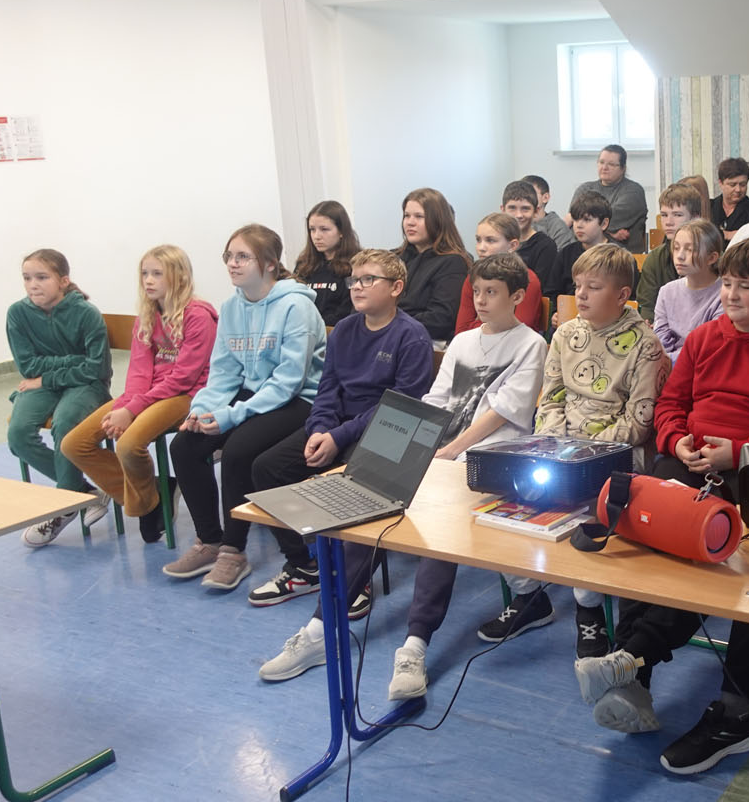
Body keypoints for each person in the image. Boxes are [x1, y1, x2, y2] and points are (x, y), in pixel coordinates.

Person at [572, 238, 749, 776]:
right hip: (690, 464)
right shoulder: (706, 337)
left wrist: (740, 451)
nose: (730, 295)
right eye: (726, 283)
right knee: (643, 536)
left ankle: (718, 699)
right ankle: (635, 680)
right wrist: (676, 439)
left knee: (738, 567)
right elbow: (671, 405)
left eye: (745, 286)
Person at [364, 253, 546, 696]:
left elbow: (502, 413)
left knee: (440, 523)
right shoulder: (462, 342)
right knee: (371, 485)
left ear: (517, 297)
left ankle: (415, 643)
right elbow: (438, 400)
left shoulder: (530, 344)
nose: (480, 301)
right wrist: (416, 446)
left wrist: (447, 451)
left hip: (494, 456)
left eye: (491, 293)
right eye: (476, 292)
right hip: (448, 452)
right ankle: (319, 625)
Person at [481, 243, 671, 661]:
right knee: (502, 499)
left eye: (594, 287)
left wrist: (581, 455)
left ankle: (589, 611)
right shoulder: (566, 334)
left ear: (622, 295)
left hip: (616, 453)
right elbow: (550, 399)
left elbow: (639, 423)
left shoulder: (646, 346)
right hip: (559, 445)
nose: (580, 295)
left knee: (590, 512)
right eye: (578, 285)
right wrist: (553, 447)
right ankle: (529, 596)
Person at [246, 248, 434, 618]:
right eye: (354, 280)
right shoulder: (345, 329)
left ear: (396, 287)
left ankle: (355, 578)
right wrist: (320, 429)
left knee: (354, 481)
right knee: (266, 468)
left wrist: (339, 437)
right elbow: (328, 389)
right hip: (337, 427)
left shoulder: (411, 336)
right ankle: (305, 567)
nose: (357, 286)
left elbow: (398, 408)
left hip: (386, 431)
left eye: (368, 279)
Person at [163, 224, 325, 592]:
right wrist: (202, 409)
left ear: (269, 264)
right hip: (254, 395)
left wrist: (230, 417)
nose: (232, 264)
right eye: (229, 256)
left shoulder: (296, 306)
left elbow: (288, 381)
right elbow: (223, 371)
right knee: (184, 445)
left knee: (238, 449)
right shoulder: (232, 307)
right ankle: (210, 541)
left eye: (243, 257)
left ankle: (233, 552)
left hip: (300, 399)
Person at [60, 245, 218, 544]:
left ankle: (147, 504)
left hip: (187, 395)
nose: (148, 280)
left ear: (179, 276)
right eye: (145, 273)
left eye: (157, 273)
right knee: (74, 444)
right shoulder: (146, 315)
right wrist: (127, 405)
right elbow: (139, 372)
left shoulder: (198, 316)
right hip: (150, 394)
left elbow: (184, 377)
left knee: (129, 445)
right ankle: (153, 496)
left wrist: (132, 410)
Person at [7, 248, 115, 545]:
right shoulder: (17, 314)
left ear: (64, 281)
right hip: (41, 385)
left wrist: (48, 375)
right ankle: (83, 492)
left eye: (42, 277)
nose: (33, 285)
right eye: (27, 278)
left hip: (86, 386)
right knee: (18, 435)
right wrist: (72, 361)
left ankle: (64, 505)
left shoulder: (86, 314)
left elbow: (96, 369)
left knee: (65, 423)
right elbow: (28, 366)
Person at [396, 187, 472, 344]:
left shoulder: (453, 262)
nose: (410, 222)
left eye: (419, 216)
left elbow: (440, 319)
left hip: (425, 341)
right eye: (406, 216)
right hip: (391, 335)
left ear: (438, 220)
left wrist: (388, 321)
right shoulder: (395, 258)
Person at [454, 213, 546, 333]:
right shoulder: (473, 277)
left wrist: (479, 324)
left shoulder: (528, 280)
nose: (481, 247)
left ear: (512, 245)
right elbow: (461, 330)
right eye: (478, 240)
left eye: (490, 240)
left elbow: (517, 330)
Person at [652, 220, 724, 361]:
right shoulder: (667, 291)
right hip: (668, 365)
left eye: (690, 250)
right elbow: (661, 340)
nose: (680, 256)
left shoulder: (725, 293)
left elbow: (709, 347)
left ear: (711, 258)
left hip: (704, 365)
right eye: (676, 248)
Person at [635, 182, 704, 322]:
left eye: (677, 215)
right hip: (661, 328)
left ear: (695, 218)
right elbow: (647, 307)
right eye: (664, 215)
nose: (668, 222)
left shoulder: (711, 257)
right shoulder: (655, 258)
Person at [555, 188, 635, 305]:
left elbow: (631, 299)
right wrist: (555, 312)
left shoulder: (620, 257)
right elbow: (552, 293)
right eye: (575, 220)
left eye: (587, 220)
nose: (579, 225)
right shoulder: (565, 253)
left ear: (604, 224)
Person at [293, 200, 362, 326]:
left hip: (338, 330)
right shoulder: (304, 264)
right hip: (305, 329)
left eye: (324, 229)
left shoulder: (356, 264)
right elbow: (296, 302)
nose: (316, 236)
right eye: (312, 229)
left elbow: (350, 310)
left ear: (341, 232)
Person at [568, 144, 648, 252]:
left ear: (623, 168)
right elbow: (573, 223)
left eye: (611, 164)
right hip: (584, 253)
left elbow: (611, 219)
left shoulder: (634, 191)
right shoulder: (585, 189)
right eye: (601, 162)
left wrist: (601, 232)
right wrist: (612, 234)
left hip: (621, 254)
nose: (604, 168)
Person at [500, 180, 561, 298]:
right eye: (512, 208)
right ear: (503, 210)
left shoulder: (545, 246)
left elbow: (536, 290)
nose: (518, 215)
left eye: (525, 209)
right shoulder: (497, 242)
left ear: (536, 211)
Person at [709, 157, 749, 240]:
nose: (738, 189)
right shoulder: (709, 207)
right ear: (720, 183)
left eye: (743, 184)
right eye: (732, 185)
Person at [526, 174, 576, 253]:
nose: (525, 199)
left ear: (545, 197)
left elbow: (563, 256)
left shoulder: (557, 226)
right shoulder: (516, 223)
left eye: (531, 194)